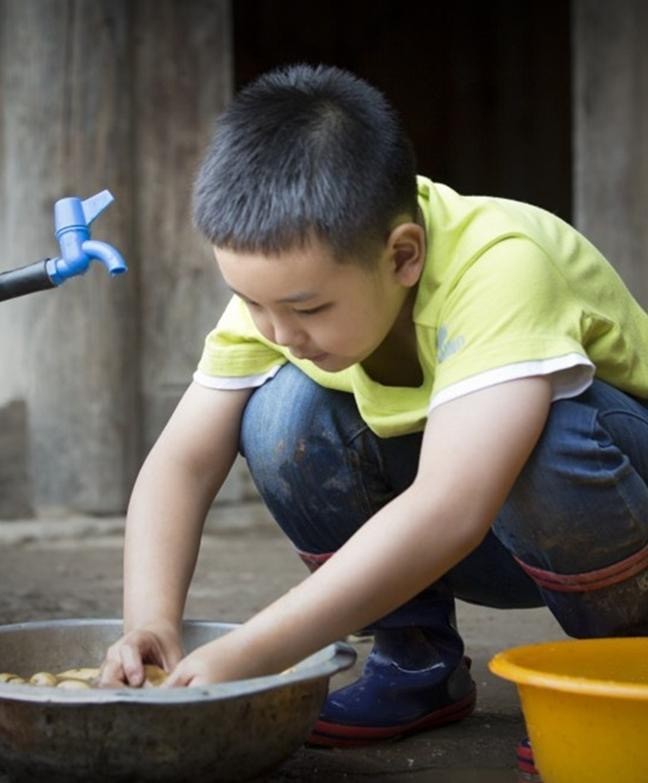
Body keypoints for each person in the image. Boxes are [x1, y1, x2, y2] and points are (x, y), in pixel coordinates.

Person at [100, 63, 648, 748]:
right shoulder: (286, 297)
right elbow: (180, 463)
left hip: (615, 505)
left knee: (547, 435)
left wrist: (252, 653)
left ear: (404, 255)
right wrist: (150, 623)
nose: (277, 330)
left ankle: (627, 681)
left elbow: (451, 507)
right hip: (491, 538)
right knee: (280, 416)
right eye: (251, 301)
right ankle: (416, 661)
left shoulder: (503, 264)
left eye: (306, 307)